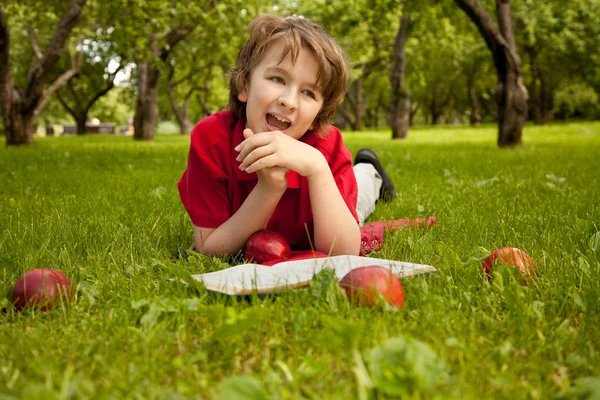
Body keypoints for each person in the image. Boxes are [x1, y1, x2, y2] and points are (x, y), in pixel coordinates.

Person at [178, 14, 396, 258]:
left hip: (329, 210)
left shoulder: (327, 147)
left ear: (317, 116)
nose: (289, 101)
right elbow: (209, 249)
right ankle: (366, 169)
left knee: (359, 203)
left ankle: (370, 170)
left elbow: (344, 252)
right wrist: (269, 189)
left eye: (308, 93)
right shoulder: (211, 140)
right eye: (277, 79)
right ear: (244, 86)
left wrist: (317, 169)